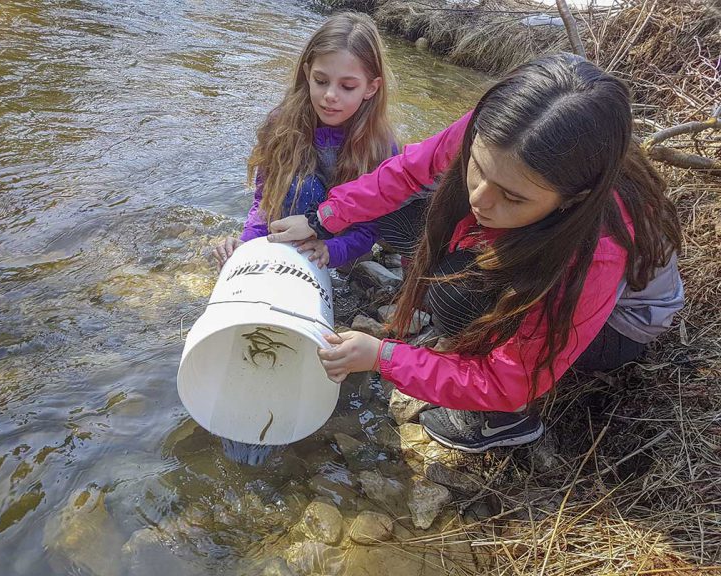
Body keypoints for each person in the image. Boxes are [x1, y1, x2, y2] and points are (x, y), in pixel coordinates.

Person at [267, 53, 684, 453]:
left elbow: (512, 378)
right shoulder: (512, 124)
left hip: (617, 326)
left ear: (573, 198)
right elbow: (410, 169)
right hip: (535, 241)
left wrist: (385, 357)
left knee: (453, 297)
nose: (479, 201)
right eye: (478, 168)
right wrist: (324, 218)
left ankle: (506, 423)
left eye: (512, 197)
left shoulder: (598, 244)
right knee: (397, 211)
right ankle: (460, 312)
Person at [212, 12, 397, 270]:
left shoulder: (381, 146)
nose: (330, 95)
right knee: (298, 184)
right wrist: (247, 245)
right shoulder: (281, 125)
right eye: (321, 81)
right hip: (287, 235)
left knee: (307, 187)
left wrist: (332, 250)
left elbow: (371, 226)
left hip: (340, 249)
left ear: (371, 88)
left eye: (347, 87)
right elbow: (265, 199)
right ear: (308, 73)